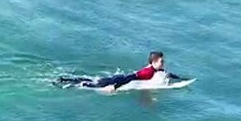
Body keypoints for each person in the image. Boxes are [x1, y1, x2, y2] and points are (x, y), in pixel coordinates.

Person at [56, 51, 188, 92]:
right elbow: (129, 78)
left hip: (117, 77)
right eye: (161, 61)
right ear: (153, 63)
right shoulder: (148, 72)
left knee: (90, 80)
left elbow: (167, 73)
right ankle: (64, 83)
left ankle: (64, 79)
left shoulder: (153, 69)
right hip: (117, 80)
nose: (163, 63)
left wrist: (180, 78)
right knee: (87, 84)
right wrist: (114, 87)